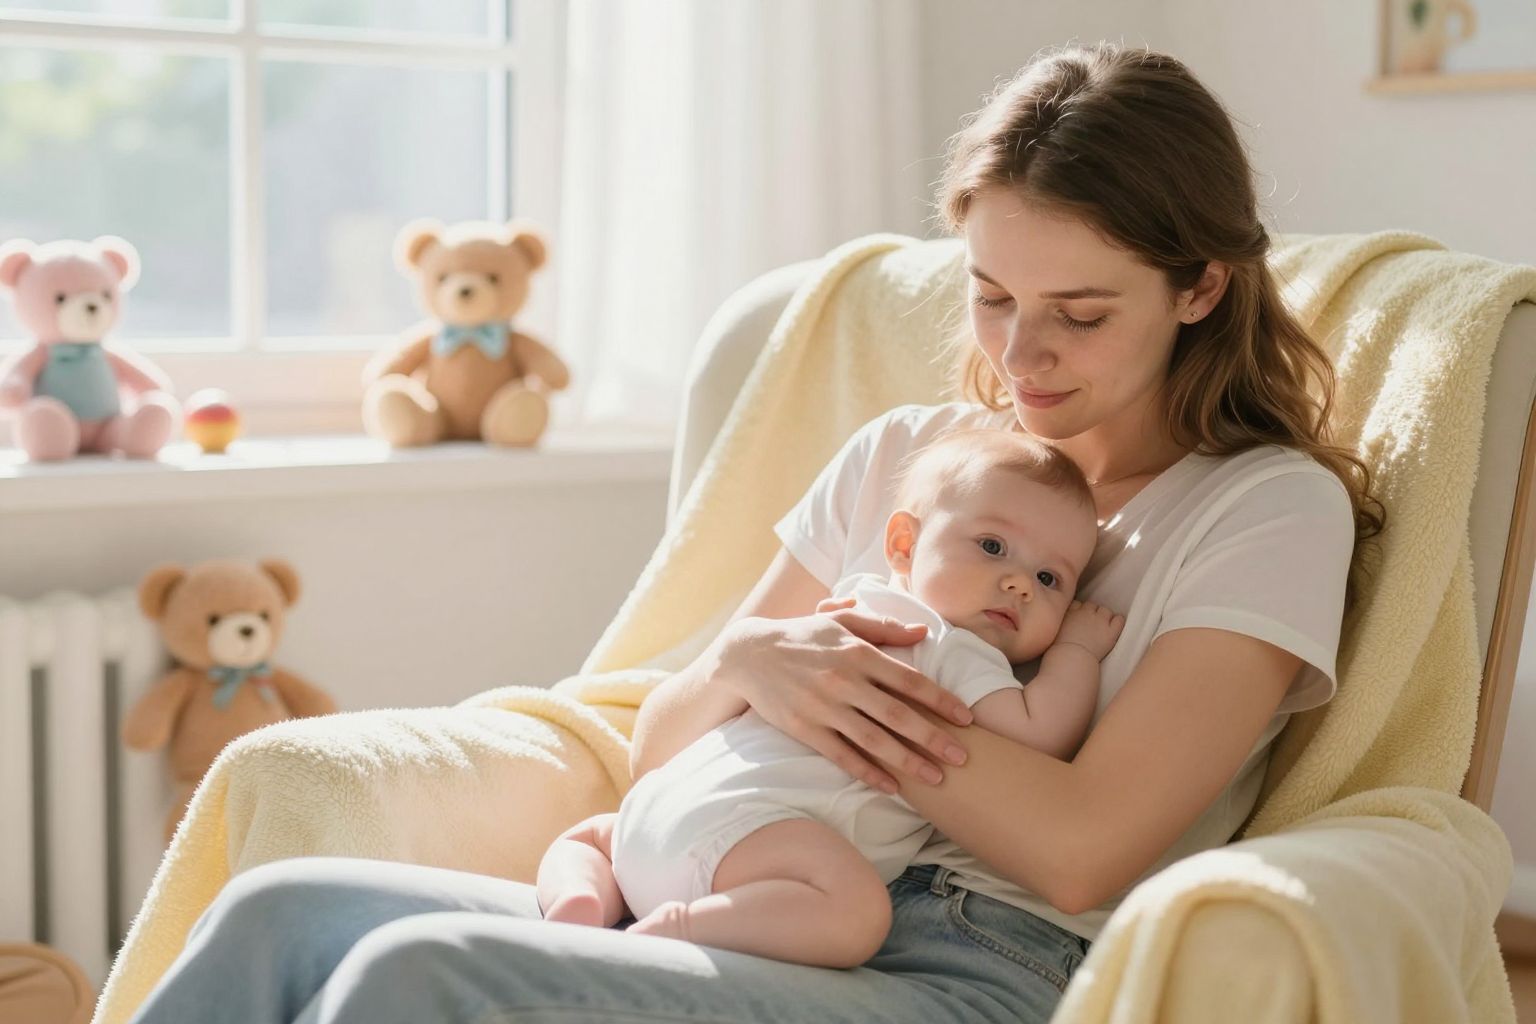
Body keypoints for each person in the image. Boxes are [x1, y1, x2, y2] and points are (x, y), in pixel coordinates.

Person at [124, 42, 1380, 1024]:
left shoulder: (1265, 507)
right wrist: (740, 668)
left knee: (427, 977)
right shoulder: (910, 456)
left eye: (1080, 313)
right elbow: (665, 743)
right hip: (740, 893)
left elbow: (1076, 849)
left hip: (989, 964)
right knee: (278, 914)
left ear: (1201, 287)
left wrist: (837, 692)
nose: (1021, 351)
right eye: (992, 296)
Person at [535, 430, 1125, 969]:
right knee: (855, 913)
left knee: (591, 835)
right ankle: (682, 929)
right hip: (756, 842)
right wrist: (1075, 651)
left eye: (1051, 580)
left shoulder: (844, 607)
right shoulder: (947, 646)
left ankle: (582, 895)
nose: (1020, 583)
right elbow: (1038, 732)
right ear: (903, 544)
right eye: (993, 546)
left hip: (659, 817)